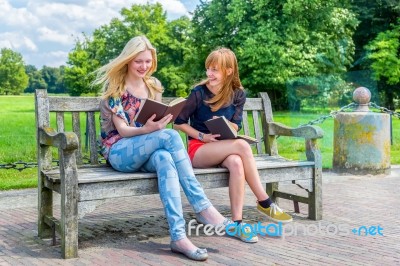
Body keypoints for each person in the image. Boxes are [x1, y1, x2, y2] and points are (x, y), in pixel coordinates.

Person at [93, 36, 228, 261]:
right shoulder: (115, 87)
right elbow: (124, 131)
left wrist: (159, 124)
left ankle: (178, 237)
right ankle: (203, 207)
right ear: (127, 60)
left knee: (165, 157)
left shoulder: (152, 85)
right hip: (119, 152)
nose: (144, 66)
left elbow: (156, 124)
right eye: (138, 62)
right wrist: (148, 129)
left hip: (148, 149)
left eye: (147, 61)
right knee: (172, 136)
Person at [174, 47, 293, 243]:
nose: (209, 73)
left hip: (225, 146)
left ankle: (237, 223)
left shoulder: (238, 94)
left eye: (214, 69)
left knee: (237, 162)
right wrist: (202, 135)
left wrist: (228, 128)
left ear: (228, 71)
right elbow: (179, 122)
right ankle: (264, 201)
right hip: (199, 149)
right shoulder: (198, 93)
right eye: (208, 69)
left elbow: (235, 126)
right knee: (243, 147)